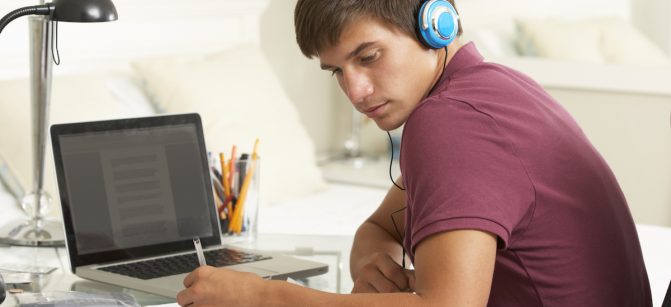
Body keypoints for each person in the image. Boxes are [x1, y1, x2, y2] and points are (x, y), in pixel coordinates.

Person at [176, 0, 653, 306]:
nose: (356, 90)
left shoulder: (450, 121)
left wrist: (262, 297)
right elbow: (382, 227)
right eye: (336, 71)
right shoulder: (496, 89)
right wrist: (372, 264)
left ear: (435, 27)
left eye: (368, 57)